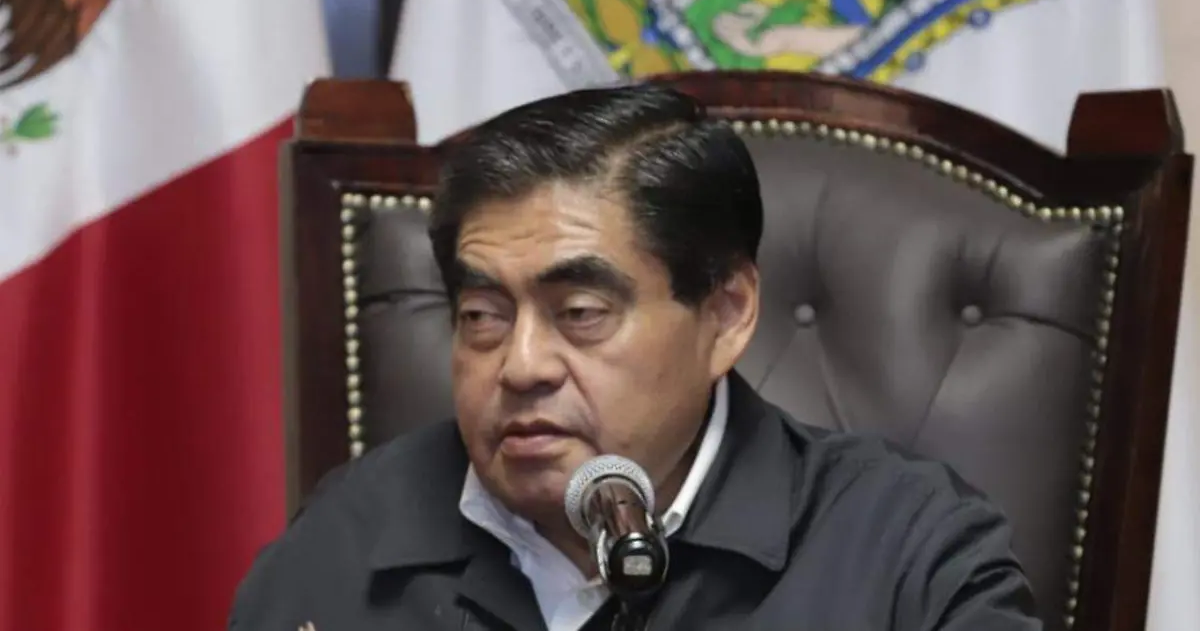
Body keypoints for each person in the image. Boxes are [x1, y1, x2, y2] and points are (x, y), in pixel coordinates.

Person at [228, 85, 1042, 630]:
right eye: (482, 316)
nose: (521, 365)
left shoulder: (906, 551)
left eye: (580, 313)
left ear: (726, 314)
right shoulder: (352, 537)